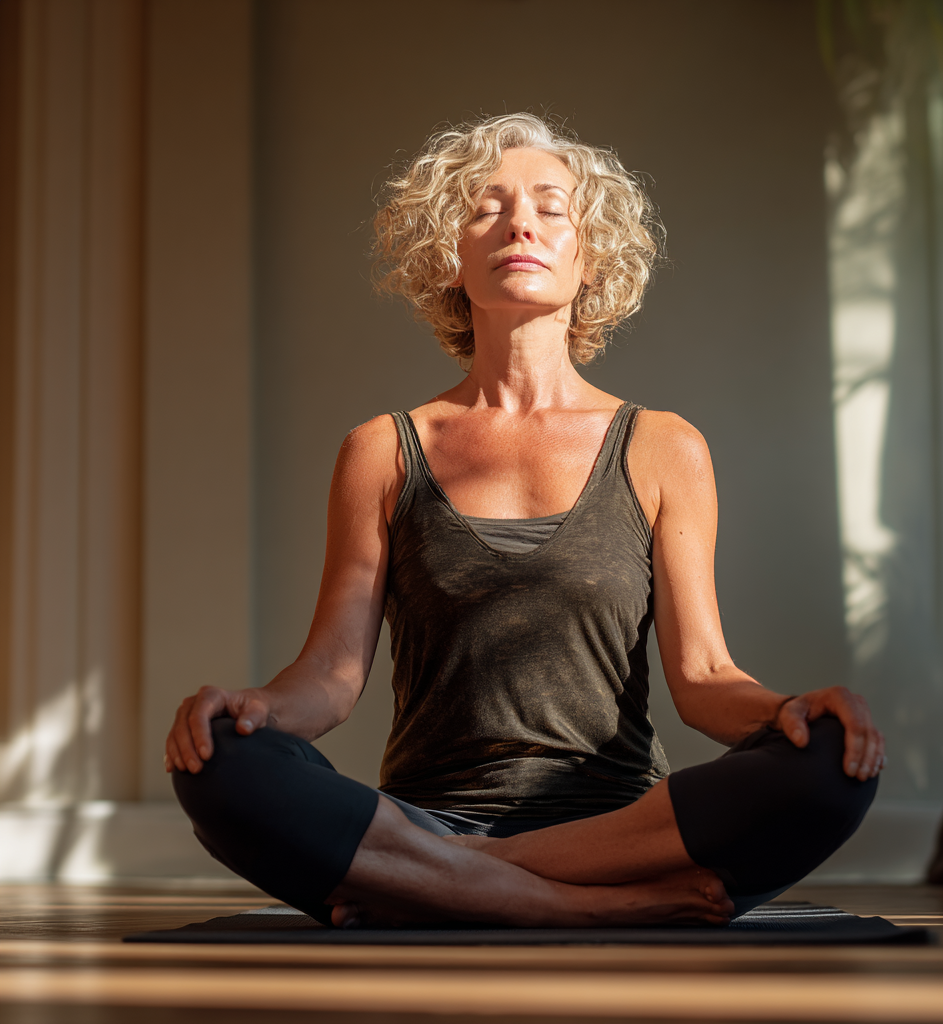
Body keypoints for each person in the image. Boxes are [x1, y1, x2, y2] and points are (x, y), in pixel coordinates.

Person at [168, 113, 885, 929]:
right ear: (450, 253)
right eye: (487, 207)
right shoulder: (383, 450)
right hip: (433, 814)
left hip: (625, 830)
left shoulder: (661, 447)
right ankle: (584, 909)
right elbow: (330, 676)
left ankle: (444, 884)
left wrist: (793, 712)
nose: (520, 223)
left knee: (831, 765)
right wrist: (249, 709)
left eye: (551, 207)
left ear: (591, 256)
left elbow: (705, 681)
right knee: (217, 765)